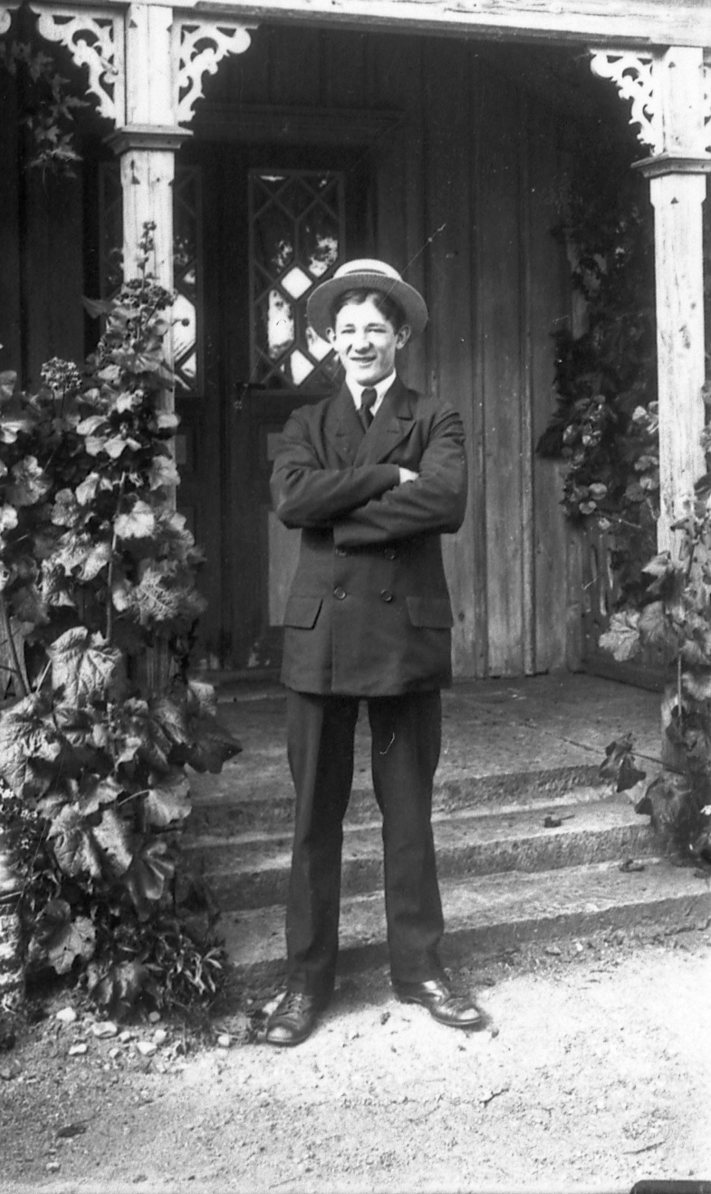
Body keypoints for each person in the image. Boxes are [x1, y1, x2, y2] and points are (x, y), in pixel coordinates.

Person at [266, 258, 484, 1046]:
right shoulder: (307, 423)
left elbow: (444, 501)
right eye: (347, 330)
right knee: (312, 820)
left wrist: (340, 518)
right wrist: (389, 474)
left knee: (408, 812)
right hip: (321, 638)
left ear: (399, 338)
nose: (360, 342)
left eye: (374, 329)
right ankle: (305, 982)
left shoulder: (436, 417)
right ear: (332, 340)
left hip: (402, 638)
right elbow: (291, 498)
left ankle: (419, 969)